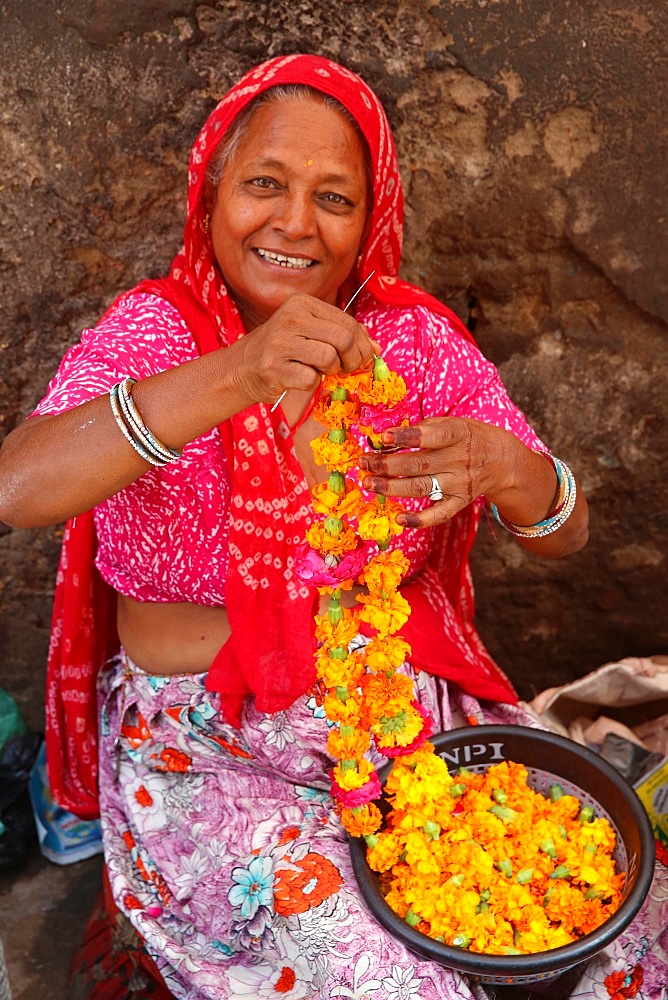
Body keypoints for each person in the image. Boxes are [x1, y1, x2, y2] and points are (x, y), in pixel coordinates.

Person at [0, 54, 662, 1000]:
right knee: (388, 983)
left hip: (399, 724)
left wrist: (511, 470)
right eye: (264, 184)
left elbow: (567, 532)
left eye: (334, 198)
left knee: (615, 933)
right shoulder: (159, 333)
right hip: (212, 747)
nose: (295, 223)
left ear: (370, 218)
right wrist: (239, 373)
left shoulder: (412, 343)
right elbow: (17, 488)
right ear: (212, 192)